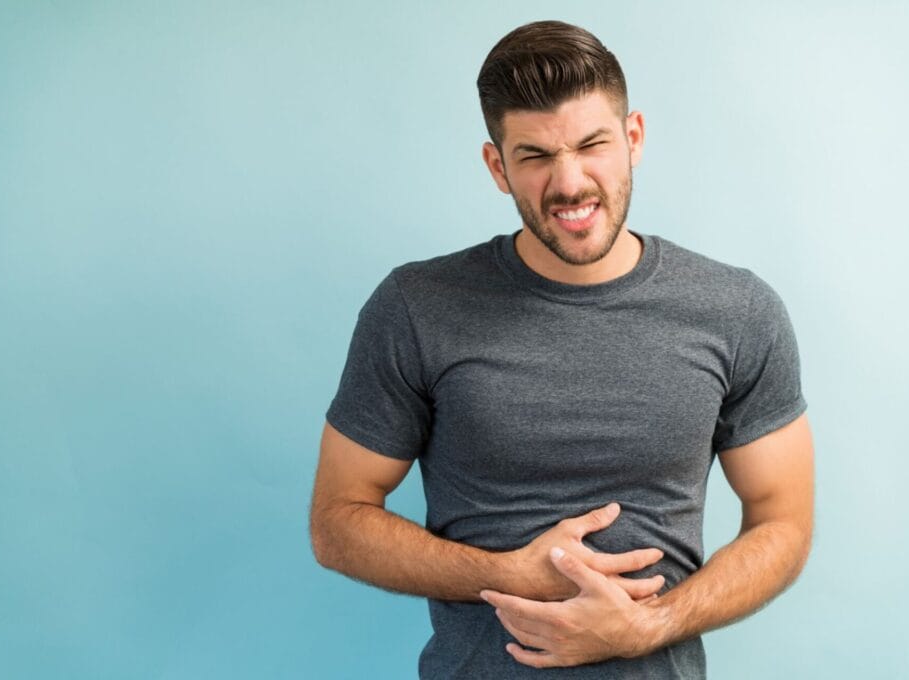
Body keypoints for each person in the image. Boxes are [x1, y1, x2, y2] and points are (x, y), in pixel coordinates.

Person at [309, 19, 814, 679]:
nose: (570, 182)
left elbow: (783, 521)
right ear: (498, 167)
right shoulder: (416, 308)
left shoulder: (738, 311)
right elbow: (337, 522)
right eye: (536, 156)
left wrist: (652, 625)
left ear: (632, 138)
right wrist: (503, 573)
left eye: (592, 144)